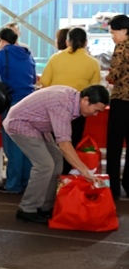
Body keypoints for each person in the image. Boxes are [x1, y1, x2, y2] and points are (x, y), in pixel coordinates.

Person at [4, 85, 108, 224]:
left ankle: (46, 205)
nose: (95, 115)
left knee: (57, 160)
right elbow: (65, 145)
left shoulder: (73, 99)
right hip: (20, 124)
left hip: (38, 125)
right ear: (85, 100)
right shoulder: (63, 104)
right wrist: (86, 172)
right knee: (45, 165)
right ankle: (27, 209)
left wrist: (84, 171)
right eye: (95, 110)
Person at [0, 27, 36, 194]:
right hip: (30, 102)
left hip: (12, 103)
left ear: (2, 41)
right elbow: (33, 78)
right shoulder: (28, 54)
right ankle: (26, 182)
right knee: (27, 144)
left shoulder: (3, 53)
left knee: (12, 145)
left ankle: (13, 185)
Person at [40, 27, 101, 174]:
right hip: (78, 110)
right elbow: (95, 90)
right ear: (86, 43)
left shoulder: (56, 58)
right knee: (70, 144)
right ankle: (64, 177)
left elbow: (44, 82)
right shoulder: (93, 63)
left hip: (55, 108)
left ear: (67, 42)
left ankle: (51, 177)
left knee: (53, 144)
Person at [106, 14, 129, 201]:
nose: (113, 37)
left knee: (114, 145)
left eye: (114, 32)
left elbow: (115, 73)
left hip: (122, 101)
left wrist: (109, 76)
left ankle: (113, 188)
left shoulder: (121, 47)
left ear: (124, 31)